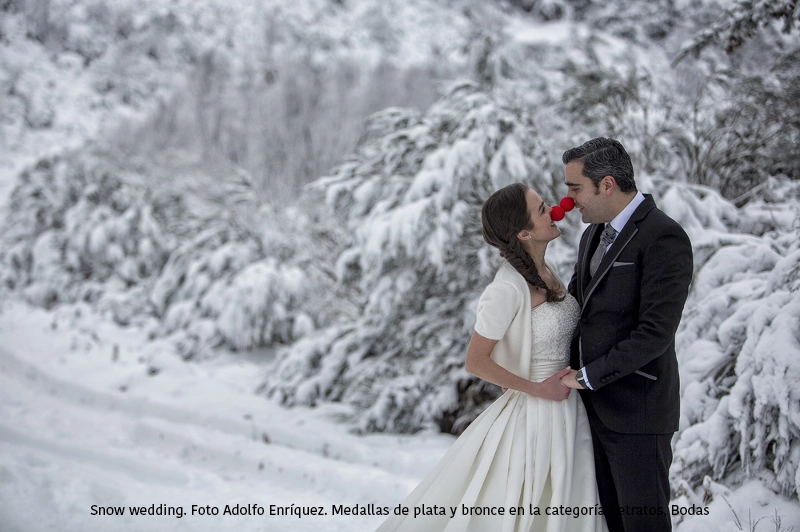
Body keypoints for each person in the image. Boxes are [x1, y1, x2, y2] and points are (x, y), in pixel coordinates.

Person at [376, 183, 607, 532]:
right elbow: (476, 360)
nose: (555, 210)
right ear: (524, 232)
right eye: (543, 209)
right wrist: (535, 388)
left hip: (568, 409)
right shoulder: (506, 288)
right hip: (536, 414)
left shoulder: (547, 272)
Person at [558, 138, 693, 532]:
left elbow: (655, 333)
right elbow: (576, 307)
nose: (568, 200)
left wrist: (588, 376)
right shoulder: (592, 234)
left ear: (607, 185)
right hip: (595, 412)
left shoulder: (663, 236)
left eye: (574, 188)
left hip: (638, 413)